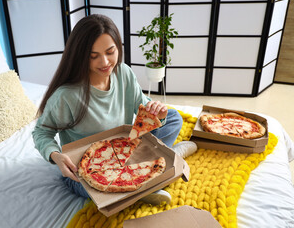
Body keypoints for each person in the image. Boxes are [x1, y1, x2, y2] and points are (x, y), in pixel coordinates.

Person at [32, 14, 189, 204]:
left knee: (173, 117)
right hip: (88, 165)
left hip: (123, 149)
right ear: (81, 56)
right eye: (93, 56)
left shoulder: (123, 72)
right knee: (84, 185)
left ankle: (146, 174)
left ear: (118, 47)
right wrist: (55, 156)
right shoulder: (66, 96)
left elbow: (141, 104)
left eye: (110, 51)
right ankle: (160, 167)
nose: (105, 62)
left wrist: (157, 111)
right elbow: (42, 132)